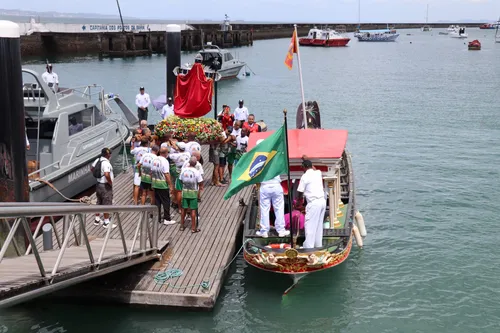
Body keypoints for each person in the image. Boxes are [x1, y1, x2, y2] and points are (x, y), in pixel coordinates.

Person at [297, 159, 327, 249]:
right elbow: (313, 168)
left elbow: (300, 191)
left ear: (304, 167)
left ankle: (309, 247)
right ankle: (318, 245)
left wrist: (299, 201)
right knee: (318, 225)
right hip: (322, 202)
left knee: (310, 225)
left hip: (313, 203)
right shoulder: (318, 173)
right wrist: (305, 158)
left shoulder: (304, 177)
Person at [92, 148, 115, 229]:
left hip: (98, 184)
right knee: (107, 203)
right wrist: (110, 182)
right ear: (108, 155)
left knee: (99, 201)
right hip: (105, 186)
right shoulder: (106, 163)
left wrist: (98, 176)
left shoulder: (98, 160)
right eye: (110, 154)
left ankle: (97, 219)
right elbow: (106, 174)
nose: (110, 155)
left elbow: (92, 168)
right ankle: (106, 222)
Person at [152, 146, 176, 225]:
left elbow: (151, 172)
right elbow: (166, 174)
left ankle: (157, 218)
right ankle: (167, 218)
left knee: (157, 202)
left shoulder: (155, 159)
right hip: (162, 184)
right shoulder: (165, 161)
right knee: (166, 201)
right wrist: (170, 185)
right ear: (166, 153)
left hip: (155, 183)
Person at [179, 156, 203, 233]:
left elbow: (180, 180)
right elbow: (200, 182)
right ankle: (193, 228)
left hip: (185, 192)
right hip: (193, 193)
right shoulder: (196, 172)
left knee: (184, 209)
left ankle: (182, 226)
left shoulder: (183, 170)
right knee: (193, 210)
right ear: (195, 163)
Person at [169, 142, 191, 211]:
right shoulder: (188, 154)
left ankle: (180, 208)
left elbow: (168, 155)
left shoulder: (175, 156)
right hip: (187, 174)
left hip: (179, 174)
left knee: (179, 191)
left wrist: (174, 148)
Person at [130, 138, 150, 204]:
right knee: (146, 184)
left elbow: (131, 151)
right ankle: (143, 196)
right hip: (146, 167)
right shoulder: (149, 150)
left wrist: (132, 143)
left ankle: (135, 201)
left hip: (138, 166)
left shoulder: (137, 149)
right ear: (147, 144)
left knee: (137, 185)